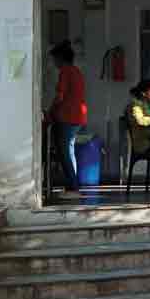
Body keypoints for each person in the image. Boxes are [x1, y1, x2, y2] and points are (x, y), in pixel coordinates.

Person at [48, 40, 87, 196]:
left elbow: (60, 96)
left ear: (60, 58)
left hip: (67, 117)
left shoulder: (65, 71)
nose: (54, 63)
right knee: (69, 151)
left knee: (64, 153)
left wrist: (50, 111)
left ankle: (73, 186)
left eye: (54, 59)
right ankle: (73, 185)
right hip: (78, 117)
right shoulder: (76, 71)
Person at [127, 79, 150, 156]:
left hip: (147, 140)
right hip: (143, 144)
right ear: (143, 93)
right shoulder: (135, 106)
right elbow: (141, 120)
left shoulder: (145, 105)